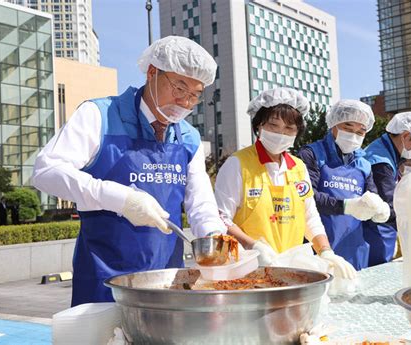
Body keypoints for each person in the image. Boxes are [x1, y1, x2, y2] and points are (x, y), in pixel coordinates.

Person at [32, 36, 226, 306]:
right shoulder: (99, 115)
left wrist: (213, 235)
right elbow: (45, 170)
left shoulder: (189, 138)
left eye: (194, 95)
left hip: (167, 281)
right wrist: (120, 199)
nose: (185, 102)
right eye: (179, 88)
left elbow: (201, 203)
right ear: (152, 73)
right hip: (105, 284)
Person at [215, 88, 356, 279]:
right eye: (273, 125)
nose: (281, 133)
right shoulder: (238, 164)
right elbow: (221, 218)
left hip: (290, 269)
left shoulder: (298, 167)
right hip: (246, 269)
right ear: (259, 125)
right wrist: (252, 245)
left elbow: (310, 217)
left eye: (289, 128)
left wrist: (325, 251)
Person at [298, 100, 389, 271]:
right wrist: (346, 206)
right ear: (333, 124)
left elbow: (372, 196)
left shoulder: (363, 163)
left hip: (355, 249)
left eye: (360, 131)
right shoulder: (311, 154)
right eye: (348, 128)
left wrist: (379, 209)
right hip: (319, 249)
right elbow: (307, 198)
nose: (354, 135)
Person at [364, 112, 411, 266]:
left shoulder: (385, 151)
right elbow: (390, 205)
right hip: (376, 234)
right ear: (406, 136)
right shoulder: (380, 163)